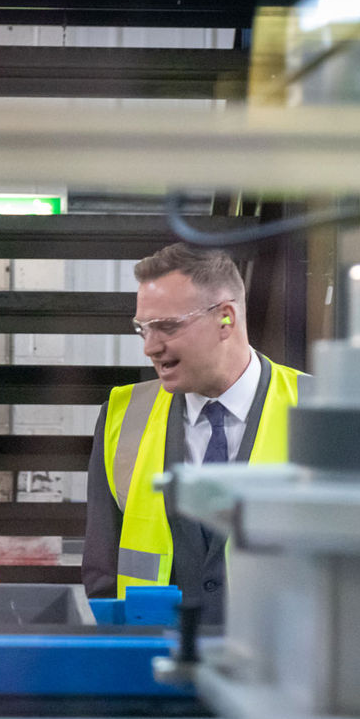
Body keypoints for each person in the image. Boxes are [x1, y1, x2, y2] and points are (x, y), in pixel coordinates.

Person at [82, 243, 304, 624]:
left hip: (280, 671)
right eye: (143, 329)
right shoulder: (125, 415)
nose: (150, 347)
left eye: (167, 326)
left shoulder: (316, 410)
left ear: (226, 319)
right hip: (151, 664)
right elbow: (103, 574)